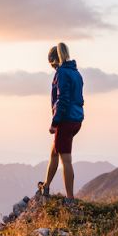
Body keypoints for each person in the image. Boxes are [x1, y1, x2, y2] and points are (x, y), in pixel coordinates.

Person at [38, 42, 84, 199]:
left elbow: (62, 99)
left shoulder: (62, 73)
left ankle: (70, 199)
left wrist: (55, 122)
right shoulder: (76, 73)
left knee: (66, 159)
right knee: (54, 153)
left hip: (65, 120)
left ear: (53, 60)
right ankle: (46, 186)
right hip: (76, 119)